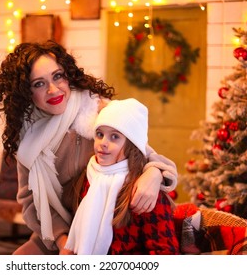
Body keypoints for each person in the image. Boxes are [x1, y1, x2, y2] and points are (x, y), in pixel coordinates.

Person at [0, 40, 178, 255]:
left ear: (67, 75)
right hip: (57, 230)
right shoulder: (27, 136)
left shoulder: (97, 112)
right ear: (26, 92)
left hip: (110, 225)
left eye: (57, 76)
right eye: (39, 84)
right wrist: (63, 241)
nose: (53, 89)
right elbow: (31, 203)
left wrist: (153, 174)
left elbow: (146, 155)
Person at [64, 98, 180, 255]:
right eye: (99, 134)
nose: (103, 143)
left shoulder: (146, 191)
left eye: (114, 137)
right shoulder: (88, 178)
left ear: (132, 144)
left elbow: (165, 252)